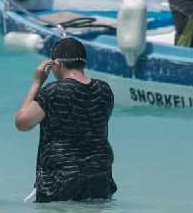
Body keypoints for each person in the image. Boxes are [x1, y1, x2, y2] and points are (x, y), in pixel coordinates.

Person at [14, 37, 116, 203]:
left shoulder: (53, 92)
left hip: (61, 179)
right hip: (100, 176)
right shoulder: (104, 89)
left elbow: (22, 123)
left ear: (57, 64)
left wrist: (37, 82)